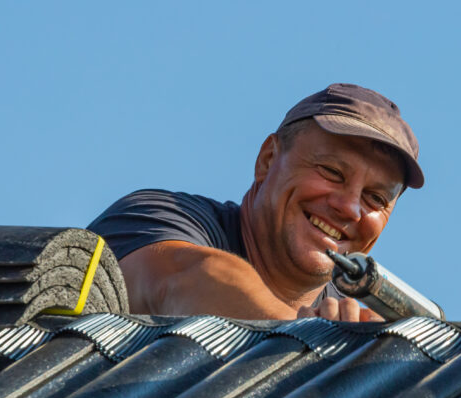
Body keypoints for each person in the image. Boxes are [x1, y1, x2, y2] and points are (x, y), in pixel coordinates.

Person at [87, 83, 424, 322]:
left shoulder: (351, 327)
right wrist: (310, 346)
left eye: (375, 198)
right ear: (267, 159)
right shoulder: (160, 218)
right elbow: (185, 278)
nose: (349, 207)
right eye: (332, 172)